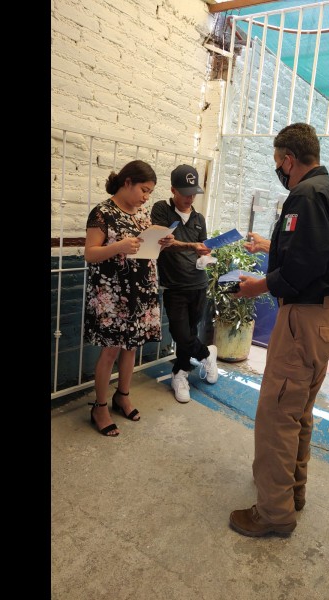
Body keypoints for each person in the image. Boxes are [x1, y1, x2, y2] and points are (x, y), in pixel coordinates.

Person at [228, 123, 329, 536]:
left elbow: (301, 267)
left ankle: (273, 513)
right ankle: (291, 492)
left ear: (288, 159)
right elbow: (318, 254)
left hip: (304, 318)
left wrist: (255, 287)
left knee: (276, 415)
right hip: (327, 317)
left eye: (277, 162)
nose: (278, 171)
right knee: (298, 410)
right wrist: (271, 252)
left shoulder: (305, 194)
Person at [83, 160, 174, 437]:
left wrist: (161, 243)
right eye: (144, 190)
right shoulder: (102, 212)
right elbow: (90, 254)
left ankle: (122, 395)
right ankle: (99, 407)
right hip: (113, 295)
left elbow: (144, 247)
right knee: (111, 350)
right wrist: (119, 246)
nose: (146, 197)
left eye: (150, 193)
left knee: (132, 347)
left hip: (141, 290)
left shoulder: (141, 213)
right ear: (127, 182)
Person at [150, 164, 218, 403]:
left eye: (193, 193)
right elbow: (163, 242)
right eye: (185, 193)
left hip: (198, 283)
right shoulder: (161, 210)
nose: (190, 198)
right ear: (173, 190)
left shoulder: (199, 219)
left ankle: (180, 373)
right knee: (180, 332)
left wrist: (206, 256)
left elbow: (203, 248)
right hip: (174, 286)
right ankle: (207, 353)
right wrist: (191, 246)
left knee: (188, 333)